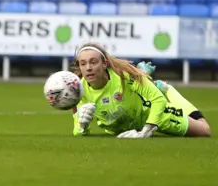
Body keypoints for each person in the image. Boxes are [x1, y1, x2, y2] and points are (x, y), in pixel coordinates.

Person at [71, 42, 211, 138]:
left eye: (93, 62)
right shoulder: (79, 91)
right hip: (120, 127)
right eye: (83, 63)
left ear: (104, 64)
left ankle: (166, 89)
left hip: (150, 114)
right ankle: (144, 76)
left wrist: (147, 129)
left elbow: (157, 100)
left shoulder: (123, 77)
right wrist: (83, 125)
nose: (88, 68)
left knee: (203, 130)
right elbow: (78, 132)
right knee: (141, 80)